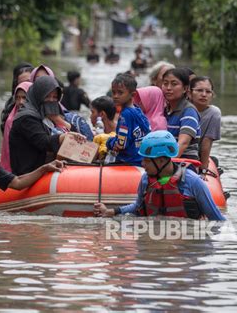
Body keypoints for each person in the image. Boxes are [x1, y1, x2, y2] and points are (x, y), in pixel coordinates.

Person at [93, 130, 226, 220]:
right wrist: (111, 212)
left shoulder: (193, 182)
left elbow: (217, 219)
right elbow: (138, 206)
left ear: (162, 160)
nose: (142, 164)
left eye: (146, 160)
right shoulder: (146, 179)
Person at [9, 76, 86, 175]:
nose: (51, 100)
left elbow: (74, 134)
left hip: (45, 167)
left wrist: (57, 120)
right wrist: (64, 137)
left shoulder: (48, 113)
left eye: (54, 97)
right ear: (38, 95)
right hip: (27, 172)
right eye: (47, 96)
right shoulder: (27, 117)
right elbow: (43, 142)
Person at [106, 73, 151, 166]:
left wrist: (109, 142)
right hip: (141, 158)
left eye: (120, 92)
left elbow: (121, 144)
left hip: (128, 161)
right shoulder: (137, 109)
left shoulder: (125, 115)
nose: (115, 96)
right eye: (113, 92)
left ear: (132, 94)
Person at [162, 68, 201, 160]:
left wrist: (164, 165)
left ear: (185, 89)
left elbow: (183, 143)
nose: (168, 88)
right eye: (165, 83)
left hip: (185, 161)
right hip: (165, 159)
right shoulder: (165, 110)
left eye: (174, 84)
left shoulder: (189, 111)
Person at [188, 76, 221, 177]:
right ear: (189, 93)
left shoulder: (214, 113)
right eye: (199, 90)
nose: (203, 95)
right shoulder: (183, 108)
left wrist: (203, 170)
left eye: (208, 92)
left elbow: (207, 143)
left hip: (195, 156)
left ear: (212, 95)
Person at [0, 81, 33, 172]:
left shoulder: (38, 116)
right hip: (14, 168)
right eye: (17, 98)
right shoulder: (11, 119)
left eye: (24, 98)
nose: (20, 102)